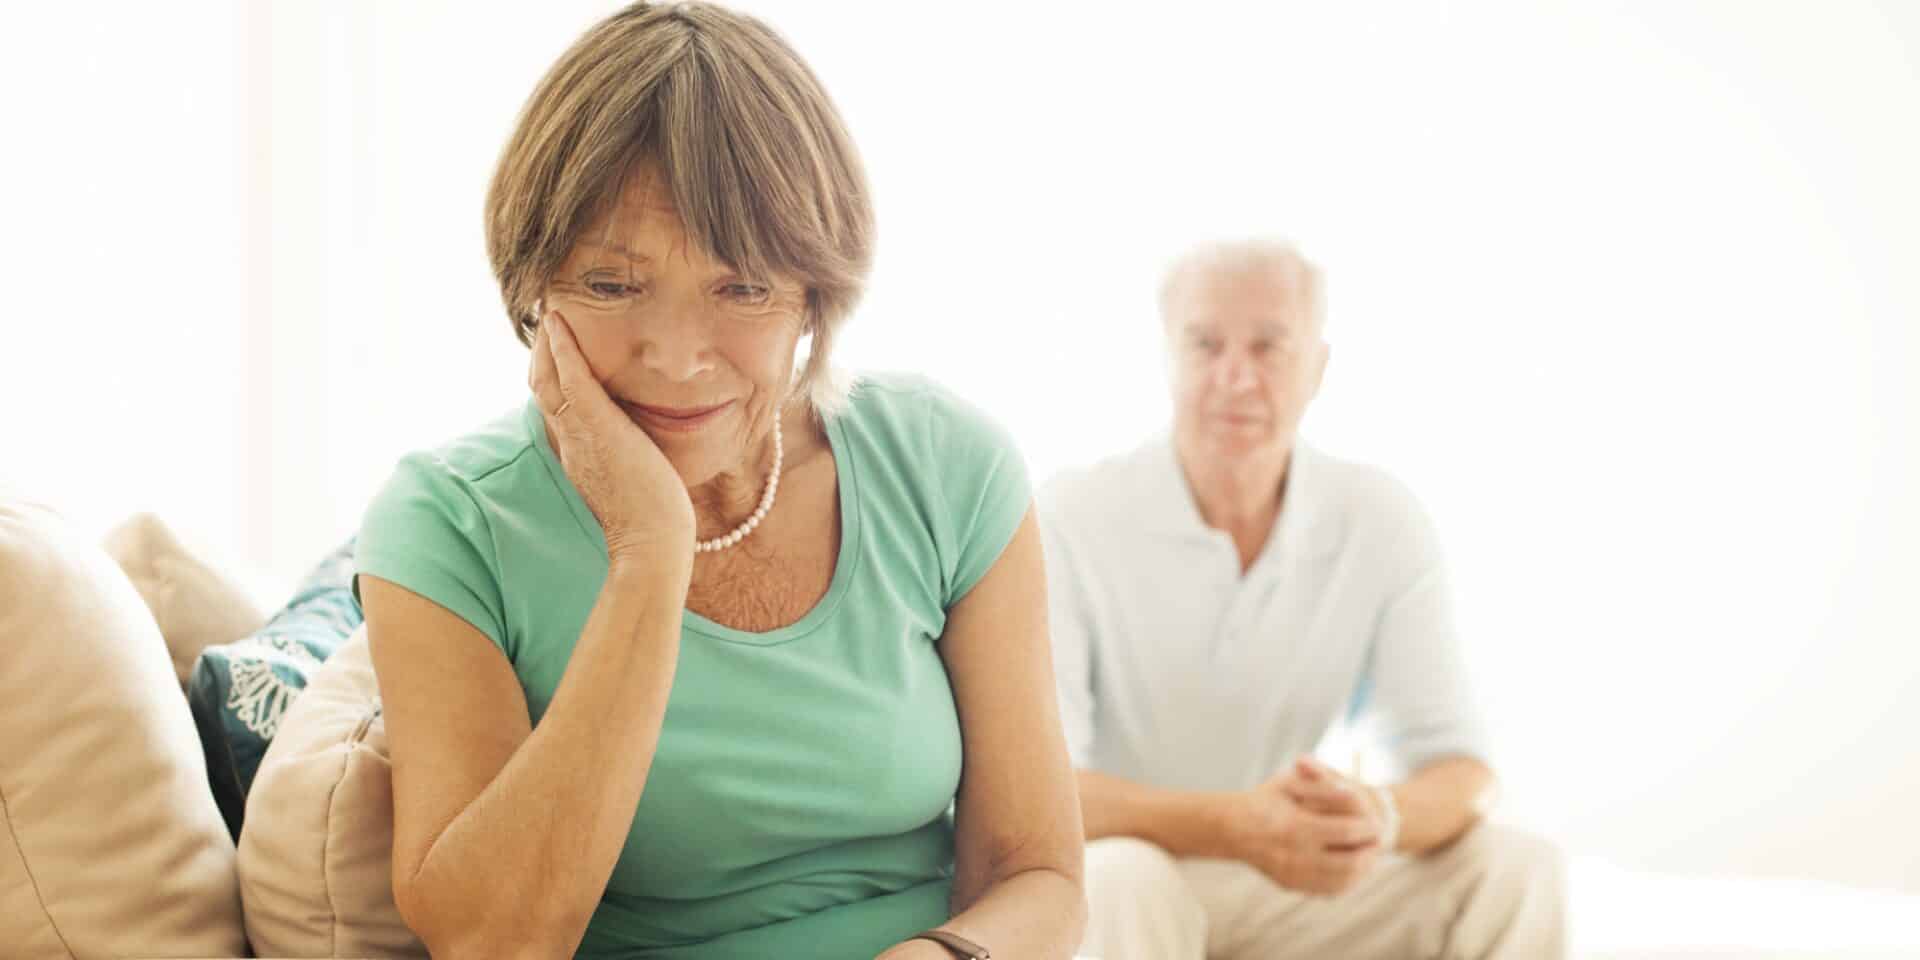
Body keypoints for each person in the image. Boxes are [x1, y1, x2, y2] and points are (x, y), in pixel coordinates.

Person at [352, 5, 1083, 958]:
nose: (678, 359)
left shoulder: (945, 465)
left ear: (815, 297)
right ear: (536, 286)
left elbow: (1040, 873)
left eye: (741, 289)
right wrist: (648, 551)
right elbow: (494, 941)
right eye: (613, 286)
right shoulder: (449, 523)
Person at [1039, 240, 1566, 959]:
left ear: (1318, 368)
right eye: (1204, 344)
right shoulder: (1073, 516)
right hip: (1131, 870)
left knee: (1518, 866)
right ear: (1168, 356)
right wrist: (1236, 825)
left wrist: (1376, 817)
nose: (1235, 376)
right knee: (1124, 878)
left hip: (1295, 885)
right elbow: (1040, 791)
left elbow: (1462, 769)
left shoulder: (1380, 519)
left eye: (1268, 347)